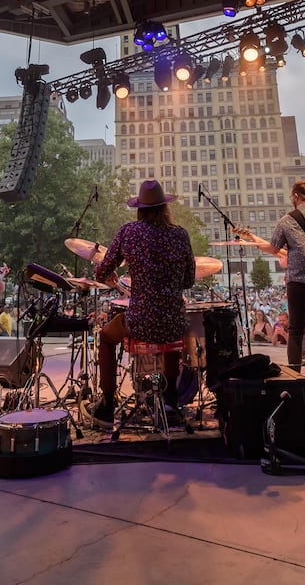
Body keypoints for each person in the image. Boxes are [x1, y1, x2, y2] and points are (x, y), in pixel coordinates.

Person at [92, 179, 196, 427]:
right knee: (170, 332)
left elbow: (101, 272)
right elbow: (189, 280)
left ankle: (107, 404)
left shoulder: (129, 232)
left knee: (106, 337)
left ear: (140, 208)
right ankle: (170, 397)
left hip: (140, 321)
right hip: (173, 322)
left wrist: (109, 273)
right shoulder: (180, 235)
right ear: (164, 208)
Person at [237, 179, 305, 372]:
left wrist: (253, 242)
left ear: (296, 196)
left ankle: (294, 374)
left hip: (298, 281)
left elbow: (274, 248)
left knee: (296, 330)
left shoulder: (287, 220)